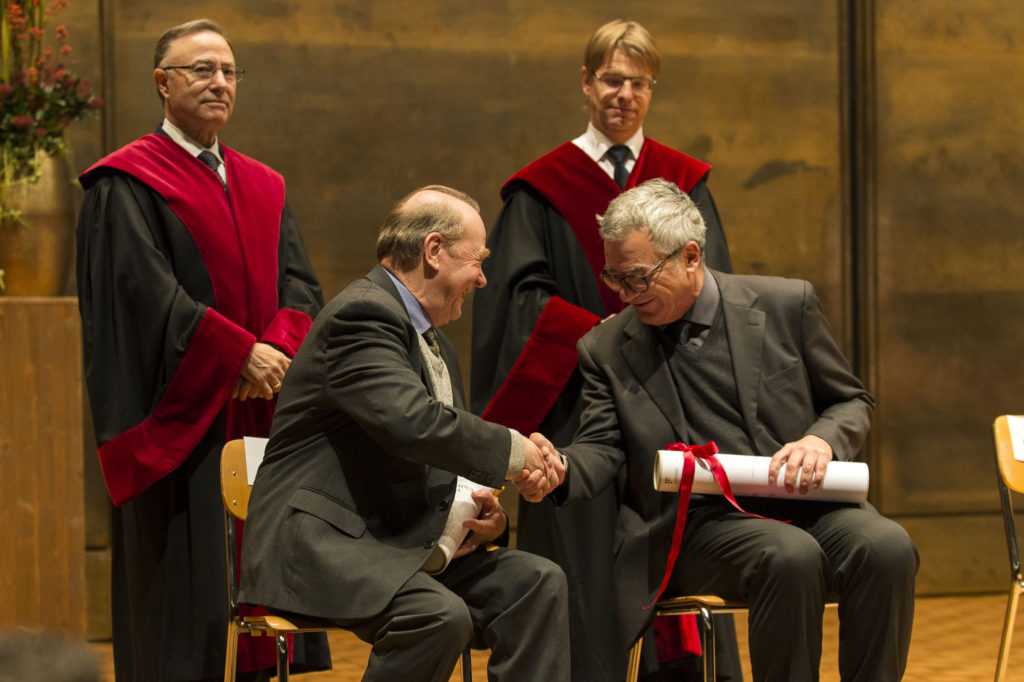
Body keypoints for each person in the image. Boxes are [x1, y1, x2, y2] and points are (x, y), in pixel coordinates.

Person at [528, 178, 919, 682]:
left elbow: (850, 399)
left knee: (887, 547)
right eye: (615, 278)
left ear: (690, 256)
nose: (624, 295)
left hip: (807, 501)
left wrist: (820, 440)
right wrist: (560, 468)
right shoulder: (605, 347)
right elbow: (602, 447)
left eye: (638, 278)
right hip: (696, 528)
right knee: (789, 557)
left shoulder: (785, 304)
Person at [470, 18, 737, 681]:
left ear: (652, 89)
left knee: (679, 560)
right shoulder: (540, 191)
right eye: (612, 79)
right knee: (581, 572)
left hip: (673, 407)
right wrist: (612, 332)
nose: (624, 94)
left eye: (638, 83)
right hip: (578, 409)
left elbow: (717, 288)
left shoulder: (685, 182)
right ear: (586, 83)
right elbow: (514, 304)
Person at [76, 18, 328, 682]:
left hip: (260, 413)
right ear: (162, 83)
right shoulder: (126, 183)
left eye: (228, 71)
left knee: (262, 594)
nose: (219, 81)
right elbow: (142, 293)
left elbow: (300, 283)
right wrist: (235, 355)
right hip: (180, 417)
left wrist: (274, 350)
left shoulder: (263, 185)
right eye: (201, 69)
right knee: (178, 616)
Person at [239, 186, 570, 682]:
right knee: (437, 616)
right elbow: (411, 424)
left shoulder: (433, 341)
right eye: (476, 260)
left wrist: (479, 510)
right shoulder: (363, 315)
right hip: (323, 542)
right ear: (433, 252)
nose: (482, 277)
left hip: (391, 539)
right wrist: (515, 451)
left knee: (537, 583)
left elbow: (436, 450)